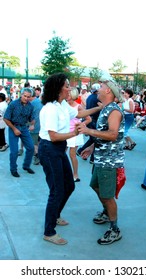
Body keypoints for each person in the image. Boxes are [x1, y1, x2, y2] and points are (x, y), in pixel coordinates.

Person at [38, 73, 102, 245]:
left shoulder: (62, 105)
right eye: (67, 86)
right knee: (56, 190)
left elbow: (80, 113)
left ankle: (56, 214)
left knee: (69, 186)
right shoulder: (50, 108)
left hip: (59, 148)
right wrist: (74, 133)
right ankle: (49, 232)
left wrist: (98, 108)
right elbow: (52, 136)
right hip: (50, 148)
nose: (69, 88)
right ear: (58, 88)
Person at [77, 78, 125, 245]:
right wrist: (91, 148)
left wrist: (88, 130)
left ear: (108, 91)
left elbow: (112, 134)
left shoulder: (114, 111)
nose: (98, 89)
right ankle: (106, 212)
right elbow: (105, 134)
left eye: (102, 87)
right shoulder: (106, 109)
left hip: (109, 162)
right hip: (101, 158)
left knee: (107, 195)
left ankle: (114, 229)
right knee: (95, 186)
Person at [3, 87, 35, 177]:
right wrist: (14, 129)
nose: (26, 98)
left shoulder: (30, 106)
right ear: (21, 95)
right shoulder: (13, 104)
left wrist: (32, 124)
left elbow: (32, 119)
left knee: (31, 148)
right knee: (14, 151)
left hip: (24, 127)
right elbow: (6, 118)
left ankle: (26, 166)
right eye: (25, 96)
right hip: (13, 126)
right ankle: (13, 169)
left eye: (28, 97)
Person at [66, 87, 91, 182]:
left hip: (75, 134)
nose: (67, 96)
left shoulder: (78, 106)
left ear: (73, 95)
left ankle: (75, 174)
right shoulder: (64, 105)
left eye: (69, 94)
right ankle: (63, 173)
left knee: (72, 154)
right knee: (62, 153)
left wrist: (81, 125)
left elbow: (89, 119)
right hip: (65, 133)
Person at [76, 83, 101, 163]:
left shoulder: (89, 97)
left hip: (90, 119)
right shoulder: (97, 98)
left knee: (92, 139)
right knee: (96, 139)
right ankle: (92, 158)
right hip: (94, 120)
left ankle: (81, 150)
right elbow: (101, 107)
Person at [30, 90, 43, 165]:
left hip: (34, 126)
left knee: (34, 143)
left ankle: (37, 156)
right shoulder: (41, 102)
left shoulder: (32, 104)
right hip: (42, 126)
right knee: (39, 142)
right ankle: (40, 155)